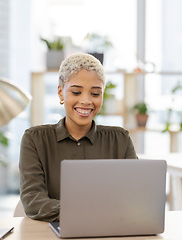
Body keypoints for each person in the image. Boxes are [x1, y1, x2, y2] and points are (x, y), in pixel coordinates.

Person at [19, 53, 137, 222]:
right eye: (76, 92)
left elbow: (135, 196)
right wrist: (91, 212)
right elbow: (34, 201)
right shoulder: (35, 139)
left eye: (95, 94)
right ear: (61, 93)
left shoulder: (120, 139)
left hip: (109, 231)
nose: (86, 101)